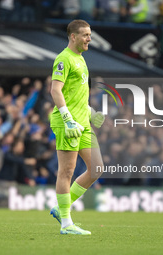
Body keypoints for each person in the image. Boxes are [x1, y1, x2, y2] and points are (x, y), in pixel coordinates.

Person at [49, 19, 105, 235]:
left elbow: (77, 96)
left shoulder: (81, 59)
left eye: (90, 34)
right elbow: (56, 90)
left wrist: (92, 113)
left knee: (97, 168)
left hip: (83, 122)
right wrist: (67, 118)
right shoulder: (64, 58)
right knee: (67, 171)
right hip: (68, 123)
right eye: (85, 35)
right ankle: (66, 224)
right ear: (73, 36)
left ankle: (61, 209)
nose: (89, 38)